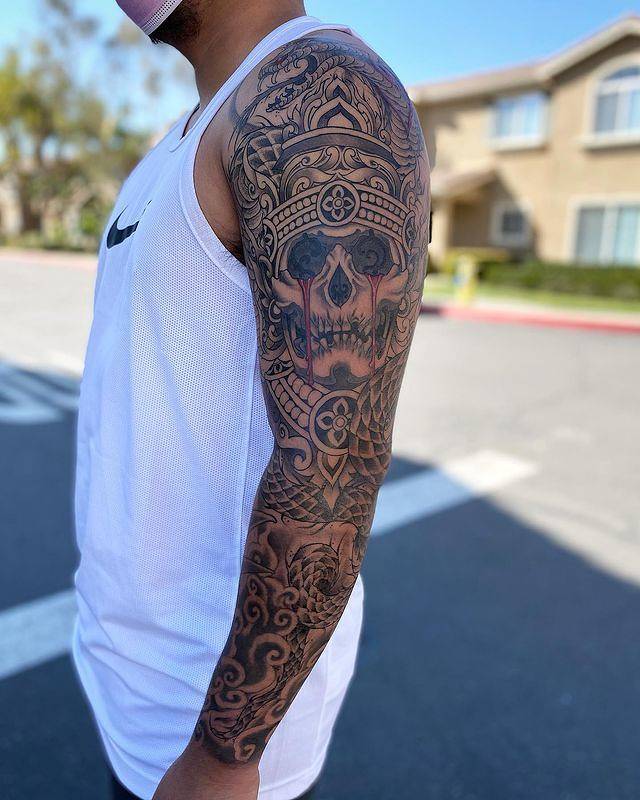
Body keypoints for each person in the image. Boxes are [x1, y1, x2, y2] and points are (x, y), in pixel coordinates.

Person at [72, 1, 430, 798]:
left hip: (211, 723)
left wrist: (224, 759)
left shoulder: (314, 90)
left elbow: (332, 468)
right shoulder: (189, 130)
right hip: (131, 674)